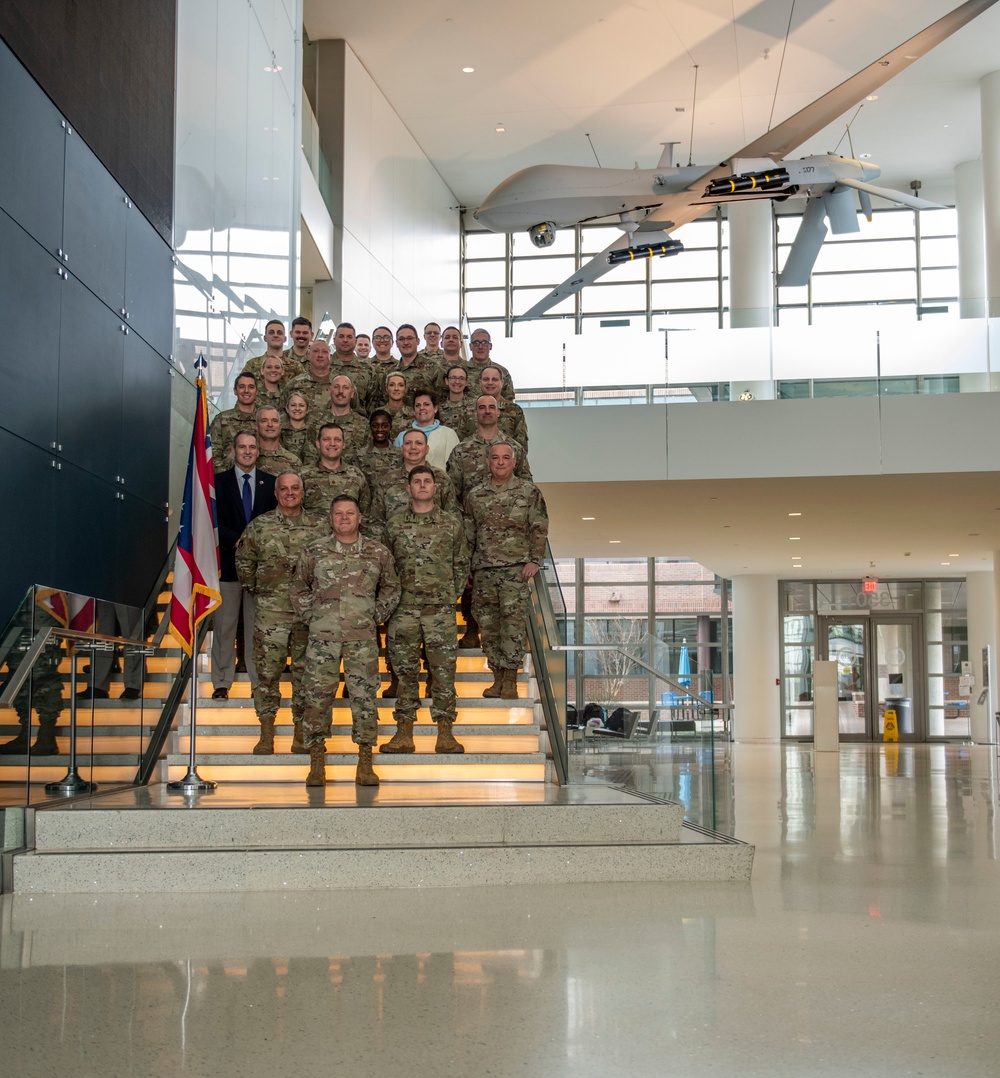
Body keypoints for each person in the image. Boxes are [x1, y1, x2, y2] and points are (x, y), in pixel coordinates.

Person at [291, 495, 400, 787]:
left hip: (361, 639)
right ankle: (316, 763)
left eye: (349, 513)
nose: (343, 518)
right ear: (331, 518)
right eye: (338, 514)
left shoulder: (377, 552)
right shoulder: (314, 551)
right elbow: (298, 587)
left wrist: (375, 614)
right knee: (316, 699)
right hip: (322, 640)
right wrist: (312, 617)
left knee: (364, 699)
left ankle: (365, 762)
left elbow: (392, 586)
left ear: (360, 517)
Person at [382, 465, 470, 754]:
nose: (422, 485)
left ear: (436, 488)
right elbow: (386, 567)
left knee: (443, 673)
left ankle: (445, 733)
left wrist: (449, 596)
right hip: (403, 610)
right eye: (416, 481)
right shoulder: (393, 525)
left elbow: (461, 562)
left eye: (427, 481)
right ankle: (403, 733)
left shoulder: (451, 524)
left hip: (440, 611)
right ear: (408, 489)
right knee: (405, 673)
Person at [235, 471, 318, 755]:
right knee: (267, 675)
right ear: (276, 493)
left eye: (296, 488)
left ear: (303, 491)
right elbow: (244, 562)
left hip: (307, 616)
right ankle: (266, 732)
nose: (290, 493)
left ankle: (300, 732)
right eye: (284, 488)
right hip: (271, 615)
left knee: (305, 675)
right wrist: (260, 591)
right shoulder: (260, 526)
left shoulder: (319, 526)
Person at [464, 442, 548, 699]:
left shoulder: (528, 491)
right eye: (495, 458)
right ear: (488, 461)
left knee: (512, 626)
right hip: (484, 570)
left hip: (515, 570)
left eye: (505, 458)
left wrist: (535, 559)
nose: (500, 462)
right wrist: (466, 564)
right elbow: (468, 532)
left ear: (514, 462)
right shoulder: (475, 494)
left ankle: (511, 678)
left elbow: (539, 526)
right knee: (488, 626)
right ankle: (497, 678)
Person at [212, 433, 277, 700]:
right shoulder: (217, 483)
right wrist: (237, 540)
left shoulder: (271, 484)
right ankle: (221, 682)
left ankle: (257, 683)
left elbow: (276, 520)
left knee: (256, 627)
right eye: (242, 447)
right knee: (225, 626)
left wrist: (256, 545)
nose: (247, 451)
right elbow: (210, 520)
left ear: (258, 451)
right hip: (228, 565)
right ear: (233, 450)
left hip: (261, 569)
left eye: (252, 447)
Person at [367, 428, 457, 542]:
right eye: (408, 443)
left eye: (418, 443)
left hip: (436, 548)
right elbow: (376, 522)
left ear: (427, 449)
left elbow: (453, 516)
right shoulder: (386, 481)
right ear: (401, 448)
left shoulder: (441, 479)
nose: (413, 447)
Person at [446, 394, 530, 507]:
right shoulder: (460, 451)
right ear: (475, 413)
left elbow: (527, 488)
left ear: (498, 412)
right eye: (482, 407)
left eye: (491, 407)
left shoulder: (515, 448)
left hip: (510, 518)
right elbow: (452, 495)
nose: (487, 411)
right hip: (473, 520)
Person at [299, 422, 371, 518]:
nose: (332, 444)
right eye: (326, 439)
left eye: (337, 440)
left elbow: (365, 515)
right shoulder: (303, 475)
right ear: (318, 444)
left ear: (343, 444)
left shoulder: (356, 475)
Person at [310, 374, 373, 469]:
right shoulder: (316, 422)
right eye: (336, 387)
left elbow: (367, 458)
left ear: (352, 393)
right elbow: (310, 456)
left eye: (345, 388)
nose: (340, 391)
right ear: (329, 391)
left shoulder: (363, 424)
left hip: (352, 479)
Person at [392, 390, 459, 469]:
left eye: (426, 404)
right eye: (418, 405)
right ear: (414, 410)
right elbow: (396, 465)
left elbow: (455, 467)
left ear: (435, 408)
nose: (422, 408)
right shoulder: (402, 436)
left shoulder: (448, 434)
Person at [209, 371, 258, 470]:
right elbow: (212, 455)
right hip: (228, 479)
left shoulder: (264, 420)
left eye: (251, 387)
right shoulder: (222, 420)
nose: (246, 390)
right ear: (235, 391)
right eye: (241, 387)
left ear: (257, 391)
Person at [329, 322, 375, 415]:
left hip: (357, 426)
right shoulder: (325, 367)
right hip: (327, 425)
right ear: (334, 340)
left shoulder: (367, 370)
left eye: (349, 337)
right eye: (341, 336)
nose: (345, 340)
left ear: (355, 340)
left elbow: (373, 405)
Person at [479, 365, 529, 449]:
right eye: (486, 379)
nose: (490, 383)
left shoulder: (514, 411)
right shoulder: (469, 410)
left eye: (494, 379)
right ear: (480, 382)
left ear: (502, 383)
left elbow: (521, 447)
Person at [282, 338, 334, 417]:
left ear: (330, 357)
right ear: (308, 355)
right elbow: (283, 413)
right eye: (316, 351)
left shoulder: (341, 384)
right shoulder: (295, 384)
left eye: (324, 352)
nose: (320, 355)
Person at [394, 323, 442, 403]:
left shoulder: (433, 368)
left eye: (410, 338)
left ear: (418, 341)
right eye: (401, 339)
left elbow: (442, 400)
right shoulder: (391, 371)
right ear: (396, 343)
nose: (406, 342)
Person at [465, 328, 515, 400]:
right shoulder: (461, 372)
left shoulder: (503, 372)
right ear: (470, 346)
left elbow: (508, 402)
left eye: (485, 342)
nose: (480, 347)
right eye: (476, 343)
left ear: (490, 346)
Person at [254, 406, 301, 476]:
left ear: (280, 426)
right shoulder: (247, 457)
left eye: (274, 421)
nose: (270, 424)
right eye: (264, 421)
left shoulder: (293, 461)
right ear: (256, 426)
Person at [438, 364, 476, 440]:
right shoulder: (438, 409)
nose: (457, 382)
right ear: (446, 381)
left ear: (466, 382)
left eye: (461, 378)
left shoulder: (476, 406)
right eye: (453, 378)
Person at [280, 390, 313, 463]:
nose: (297, 409)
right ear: (287, 408)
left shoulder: (313, 432)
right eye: (293, 405)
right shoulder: (279, 431)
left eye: (301, 405)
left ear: (307, 409)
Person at [383, 372, 413, 436]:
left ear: (405, 389)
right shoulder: (376, 413)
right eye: (392, 385)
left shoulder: (413, 414)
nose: (396, 388)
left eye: (400, 385)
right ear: (386, 388)